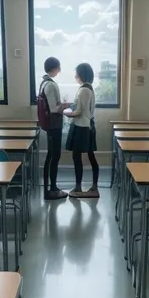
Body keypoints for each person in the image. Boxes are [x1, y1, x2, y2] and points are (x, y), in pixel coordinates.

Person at [65, 63, 99, 198]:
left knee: (77, 157)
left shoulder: (83, 90)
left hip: (81, 127)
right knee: (90, 156)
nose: (75, 76)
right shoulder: (88, 88)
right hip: (86, 126)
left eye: (76, 73)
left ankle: (79, 186)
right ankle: (92, 186)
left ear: (81, 75)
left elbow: (79, 111)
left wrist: (66, 113)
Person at [40, 57, 69, 200]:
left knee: (50, 156)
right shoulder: (50, 85)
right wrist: (65, 105)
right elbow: (54, 109)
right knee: (54, 156)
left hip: (49, 125)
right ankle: (52, 189)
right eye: (59, 67)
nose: (60, 70)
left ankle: (49, 188)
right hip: (54, 125)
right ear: (55, 68)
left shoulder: (43, 82)